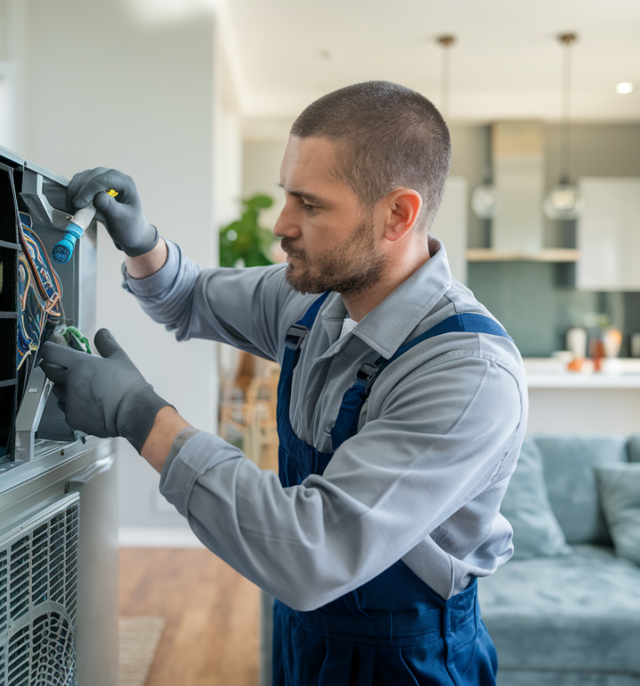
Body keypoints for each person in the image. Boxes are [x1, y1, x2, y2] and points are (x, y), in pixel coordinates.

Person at [39, 80, 527, 685]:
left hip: (406, 659)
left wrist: (141, 416)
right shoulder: (317, 302)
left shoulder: (467, 373)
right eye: (286, 196)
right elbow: (189, 298)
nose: (282, 224)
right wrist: (142, 241)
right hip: (306, 632)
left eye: (311, 204)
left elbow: (312, 551)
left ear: (397, 215)